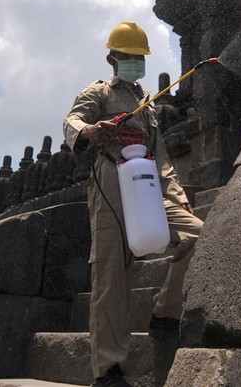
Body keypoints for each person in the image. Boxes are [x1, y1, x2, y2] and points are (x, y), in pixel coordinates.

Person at [63, 21, 202, 387]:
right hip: (110, 181)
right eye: (129, 56)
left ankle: (166, 311)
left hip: (148, 184)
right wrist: (90, 131)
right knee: (111, 274)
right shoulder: (99, 93)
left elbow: (162, 156)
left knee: (197, 237)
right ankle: (108, 369)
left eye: (140, 57)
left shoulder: (148, 105)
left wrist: (178, 197)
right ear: (113, 58)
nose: (136, 62)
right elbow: (72, 120)